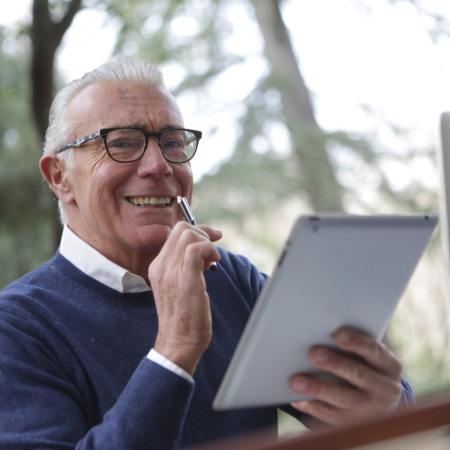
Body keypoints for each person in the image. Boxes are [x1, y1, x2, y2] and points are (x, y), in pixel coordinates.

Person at [0, 57, 412, 450]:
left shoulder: (231, 278)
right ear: (59, 177)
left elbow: (363, 406)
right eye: (122, 143)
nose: (159, 166)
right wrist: (174, 349)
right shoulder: (16, 327)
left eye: (174, 143)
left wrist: (384, 405)